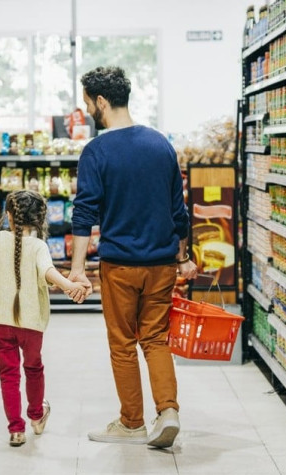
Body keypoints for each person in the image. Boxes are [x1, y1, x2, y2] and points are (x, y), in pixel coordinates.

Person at [69, 66, 198, 449]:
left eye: (88, 102)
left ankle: (131, 423)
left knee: (123, 343)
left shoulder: (97, 151)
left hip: (121, 265)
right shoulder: (161, 144)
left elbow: (84, 213)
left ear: (102, 101)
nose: (88, 109)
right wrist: (184, 255)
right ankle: (168, 411)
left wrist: (77, 269)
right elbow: (179, 211)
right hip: (161, 265)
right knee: (156, 338)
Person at [0, 190, 88, 447]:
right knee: (33, 368)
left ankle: (16, 430)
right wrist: (68, 286)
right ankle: (37, 417)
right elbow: (47, 272)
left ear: (8, 216)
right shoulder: (38, 246)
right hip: (31, 324)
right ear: (41, 219)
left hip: (0, 323)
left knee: (8, 374)